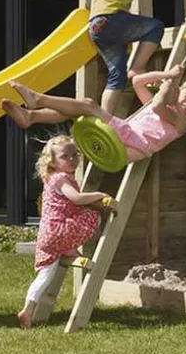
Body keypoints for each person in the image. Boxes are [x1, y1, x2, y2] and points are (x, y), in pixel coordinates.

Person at [0, 67, 186, 164]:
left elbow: (158, 106)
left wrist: (166, 88)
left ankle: (38, 101)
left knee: (88, 105)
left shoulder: (182, 122)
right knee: (80, 111)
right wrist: (165, 76)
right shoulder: (166, 108)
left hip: (134, 143)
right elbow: (137, 82)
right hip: (128, 136)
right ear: (181, 90)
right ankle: (31, 116)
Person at [20, 136, 115, 329]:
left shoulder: (50, 178)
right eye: (65, 156)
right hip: (59, 230)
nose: (72, 159)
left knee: (45, 276)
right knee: (93, 216)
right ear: (53, 161)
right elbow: (77, 198)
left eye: (74, 155)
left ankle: (27, 310)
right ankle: (69, 247)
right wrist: (98, 195)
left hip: (47, 234)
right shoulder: (61, 179)